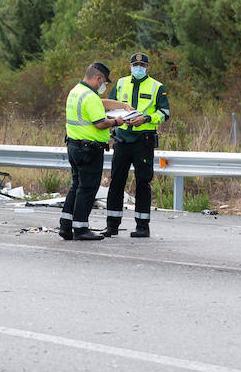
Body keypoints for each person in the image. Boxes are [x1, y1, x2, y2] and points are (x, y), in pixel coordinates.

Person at [62, 62, 138, 241]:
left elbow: (100, 103)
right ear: (98, 78)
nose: (104, 86)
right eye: (104, 82)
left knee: (76, 186)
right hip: (89, 149)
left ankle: (66, 226)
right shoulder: (89, 96)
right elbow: (100, 123)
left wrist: (122, 105)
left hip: (75, 146)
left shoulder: (77, 91)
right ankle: (81, 229)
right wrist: (117, 122)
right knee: (87, 188)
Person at [105, 53, 170, 238]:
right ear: (130, 66)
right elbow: (110, 107)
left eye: (142, 65)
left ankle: (142, 226)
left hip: (143, 140)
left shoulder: (157, 87)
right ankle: (112, 225)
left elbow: (164, 113)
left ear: (147, 67)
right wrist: (118, 119)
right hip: (122, 139)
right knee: (116, 181)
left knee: (143, 182)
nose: (138, 67)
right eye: (135, 64)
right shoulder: (120, 83)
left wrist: (146, 118)